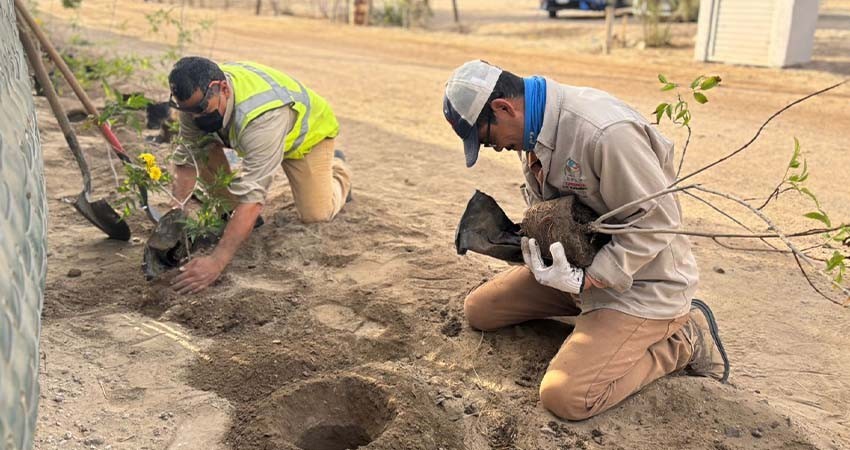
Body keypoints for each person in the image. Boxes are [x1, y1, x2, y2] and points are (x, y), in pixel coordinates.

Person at [442, 60, 730, 420]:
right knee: (480, 311)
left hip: (640, 285)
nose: (492, 148)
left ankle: (679, 341)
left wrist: (589, 278)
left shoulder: (604, 133)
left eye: (486, 138)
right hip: (578, 273)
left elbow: (659, 221)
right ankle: (595, 325)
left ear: (503, 108)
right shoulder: (532, 132)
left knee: (566, 396)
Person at [167, 56, 352, 294]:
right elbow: (188, 158)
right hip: (251, 137)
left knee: (316, 214)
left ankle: (338, 170)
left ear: (222, 88)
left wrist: (217, 261)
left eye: (201, 109)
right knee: (201, 147)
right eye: (188, 110)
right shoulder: (196, 98)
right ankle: (231, 212)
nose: (194, 117)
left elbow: (253, 199)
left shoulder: (262, 117)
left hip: (305, 139)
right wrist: (176, 211)